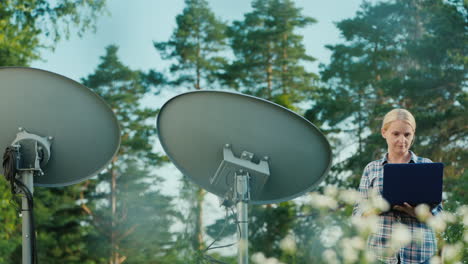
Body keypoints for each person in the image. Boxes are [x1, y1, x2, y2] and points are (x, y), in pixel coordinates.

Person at [353, 108, 443, 264]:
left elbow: (440, 219)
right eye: (396, 134)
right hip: (380, 255)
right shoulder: (371, 169)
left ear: (413, 135)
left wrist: (417, 213)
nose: (402, 140)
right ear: (384, 132)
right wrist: (378, 208)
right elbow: (357, 215)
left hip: (420, 255)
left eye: (407, 134)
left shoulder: (426, 166)